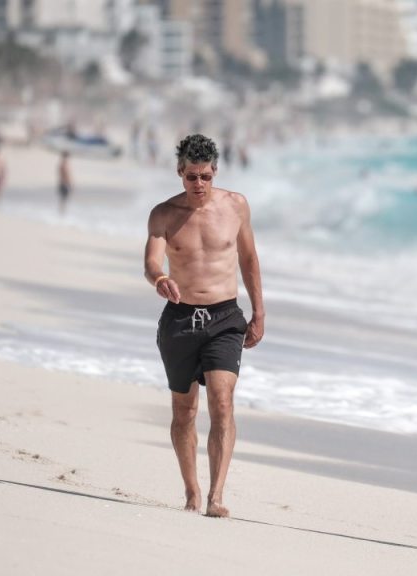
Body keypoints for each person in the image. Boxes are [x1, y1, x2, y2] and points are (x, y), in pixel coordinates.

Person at [143, 134, 265, 518]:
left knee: (223, 403)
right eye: (192, 176)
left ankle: (216, 496)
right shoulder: (163, 214)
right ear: (180, 173)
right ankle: (191, 491)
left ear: (215, 172)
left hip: (225, 318)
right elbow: (151, 262)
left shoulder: (236, 206)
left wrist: (259, 312)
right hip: (180, 319)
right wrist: (159, 279)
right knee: (184, 412)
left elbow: (249, 259)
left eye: (206, 177)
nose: (199, 185)